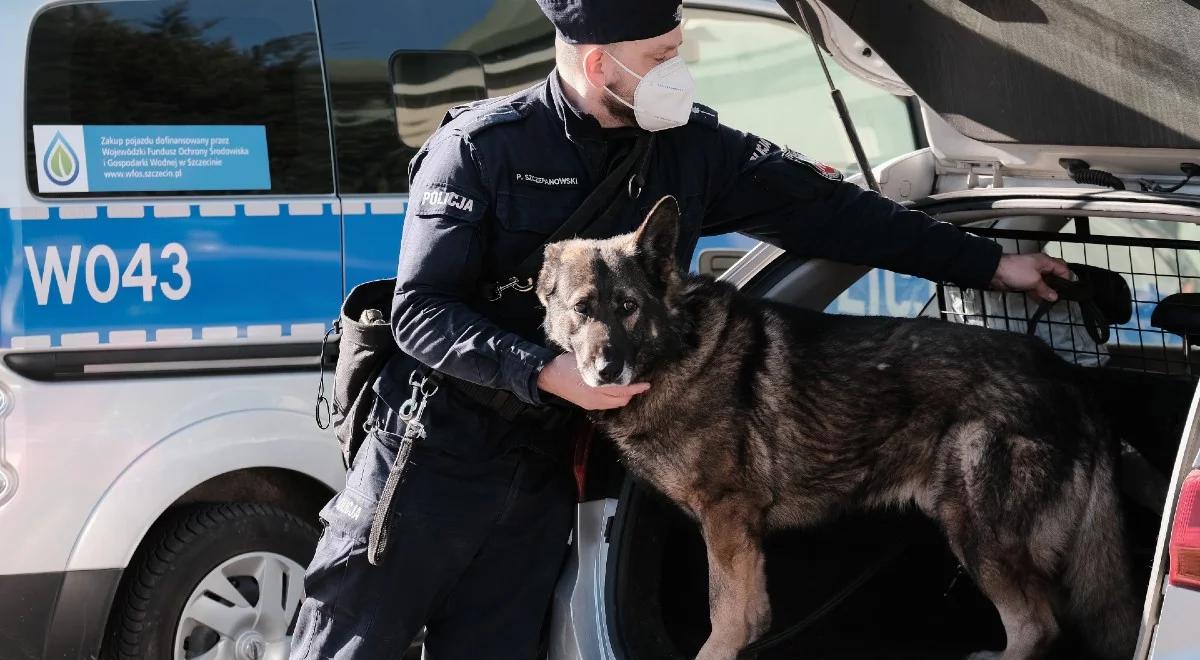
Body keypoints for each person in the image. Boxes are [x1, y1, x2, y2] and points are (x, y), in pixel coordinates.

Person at [288, 1, 1068, 658]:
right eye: (660, 54)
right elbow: (420, 313)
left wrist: (988, 264)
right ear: (599, 65)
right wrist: (540, 372)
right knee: (352, 643)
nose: (679, 65)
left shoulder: (692, 149)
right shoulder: (480, 150)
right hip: (435, 456)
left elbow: (831, 213)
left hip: (548, 466)